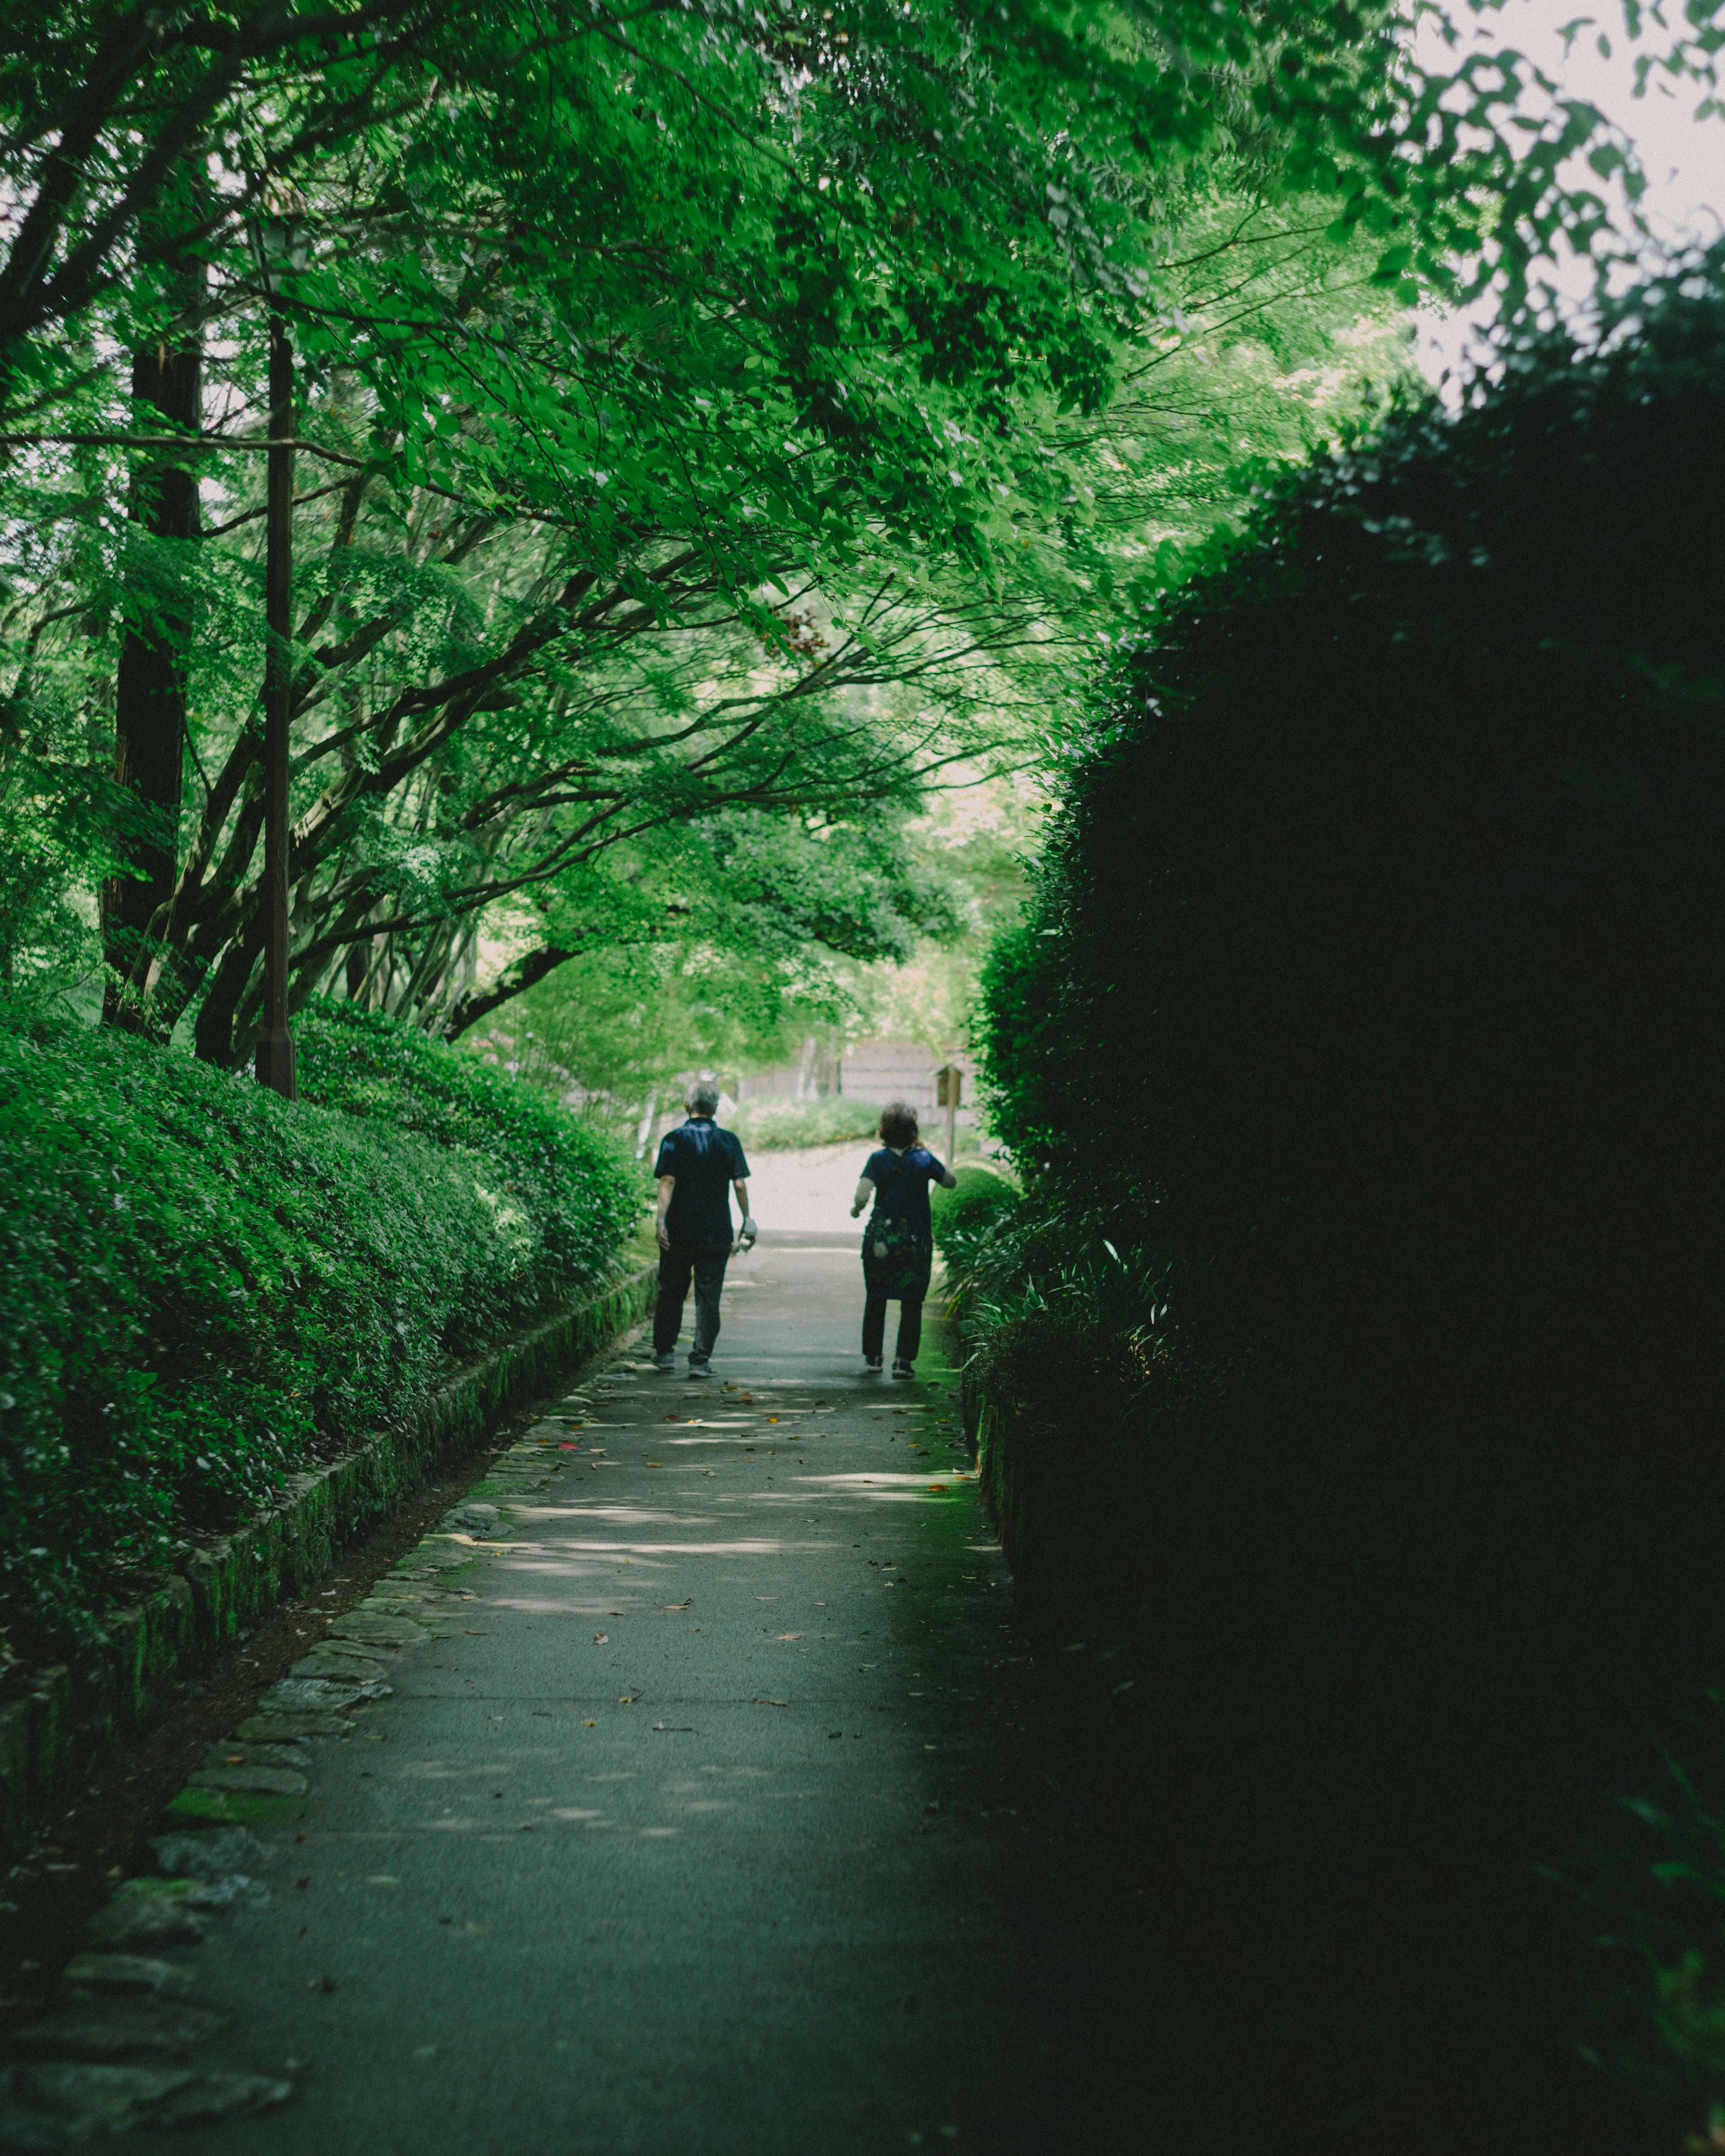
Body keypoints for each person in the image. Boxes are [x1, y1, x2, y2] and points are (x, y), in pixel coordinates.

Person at [652, 1077, 755, 1375]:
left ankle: (665, 1353)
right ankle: (700, 1360)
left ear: (688, 1105)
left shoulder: (673, 1139)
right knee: (709, 1297)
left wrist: (661, 1221)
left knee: (671, 1290)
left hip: (679, 1232)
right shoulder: (729, 1140)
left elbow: (667, 1181)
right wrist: (748, 1219)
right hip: (716, 1233)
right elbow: (739, 1184)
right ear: (715, 1108)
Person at [849, 1100, 955, 1378]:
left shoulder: (877, 1159)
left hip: (881, 1242)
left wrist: (857, 1209)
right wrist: (925, 1153)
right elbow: (950, 1181)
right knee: (912, 1301)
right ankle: (903, 1362)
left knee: (876, 1297)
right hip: (915, 1242)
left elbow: (862, 1195)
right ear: (913, 1130)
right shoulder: (923, 1159)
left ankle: (874, 1357)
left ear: (884, 1130)